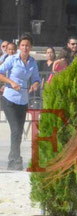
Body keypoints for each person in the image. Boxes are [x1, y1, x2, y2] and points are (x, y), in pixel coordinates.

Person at [0, 34, 40, 170]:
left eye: (27, 45)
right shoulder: (12, 59)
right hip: (9, 99)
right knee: (16, 130)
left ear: (31, 47)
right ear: (19, 47)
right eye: (22, 45)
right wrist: (11, 81)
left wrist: (34, 85)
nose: (25, 48)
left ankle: (13, 160)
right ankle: (16, 160)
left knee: (18, 132)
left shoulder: (33, 62)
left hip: (23, 101)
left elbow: (36, 79)